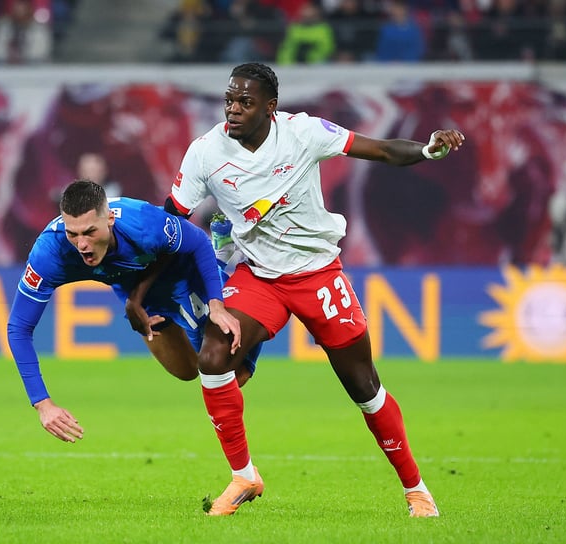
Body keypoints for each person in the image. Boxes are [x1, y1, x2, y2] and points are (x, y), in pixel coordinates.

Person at [163, 62, 464, 517]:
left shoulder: (303, 133)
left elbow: (383, 150)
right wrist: (153, 281)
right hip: (260, 277)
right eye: (229, 100)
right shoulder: (205, 152)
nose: (233, 109)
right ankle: (244, 476)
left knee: (364, 387)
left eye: (245, 102)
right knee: (213, 356)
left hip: (318, 274)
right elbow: (172, 218)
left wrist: (427, 150)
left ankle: (416, 490)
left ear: (270, 107)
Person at [7, 179, 257, 442]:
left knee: (230, 374)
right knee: (185, 371)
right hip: (141, 293)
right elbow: (19, 328)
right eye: (73, 234)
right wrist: (42, 404)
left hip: (182, 272)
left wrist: (216, 306)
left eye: (90, 232)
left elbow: (196, 242)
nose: (82, 245)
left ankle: (221, 255)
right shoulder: (49, 253)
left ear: (110, 220)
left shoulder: (142, 221)